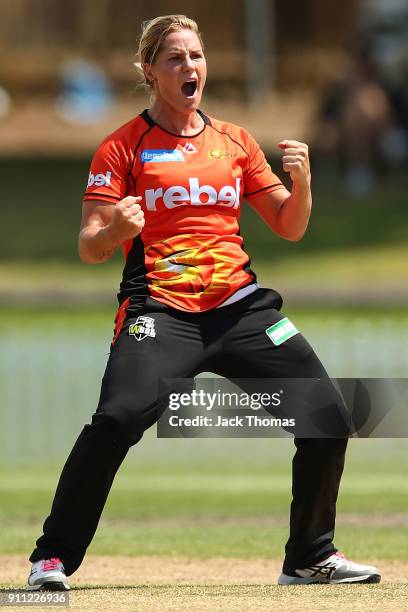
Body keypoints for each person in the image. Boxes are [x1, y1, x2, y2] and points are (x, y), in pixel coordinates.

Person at [27, 14, 380, 590]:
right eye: (175, 58)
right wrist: (116, 228)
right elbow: (90, 246)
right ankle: (52, 558)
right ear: (150, 70)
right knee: (116, 419)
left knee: (328, 418)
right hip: (161, 312)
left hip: (241, 310)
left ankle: (310, 556)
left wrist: (305, 184)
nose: (190, 67)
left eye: (196, 55)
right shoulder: (122, 147)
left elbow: (289, 226)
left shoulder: (235, 141)